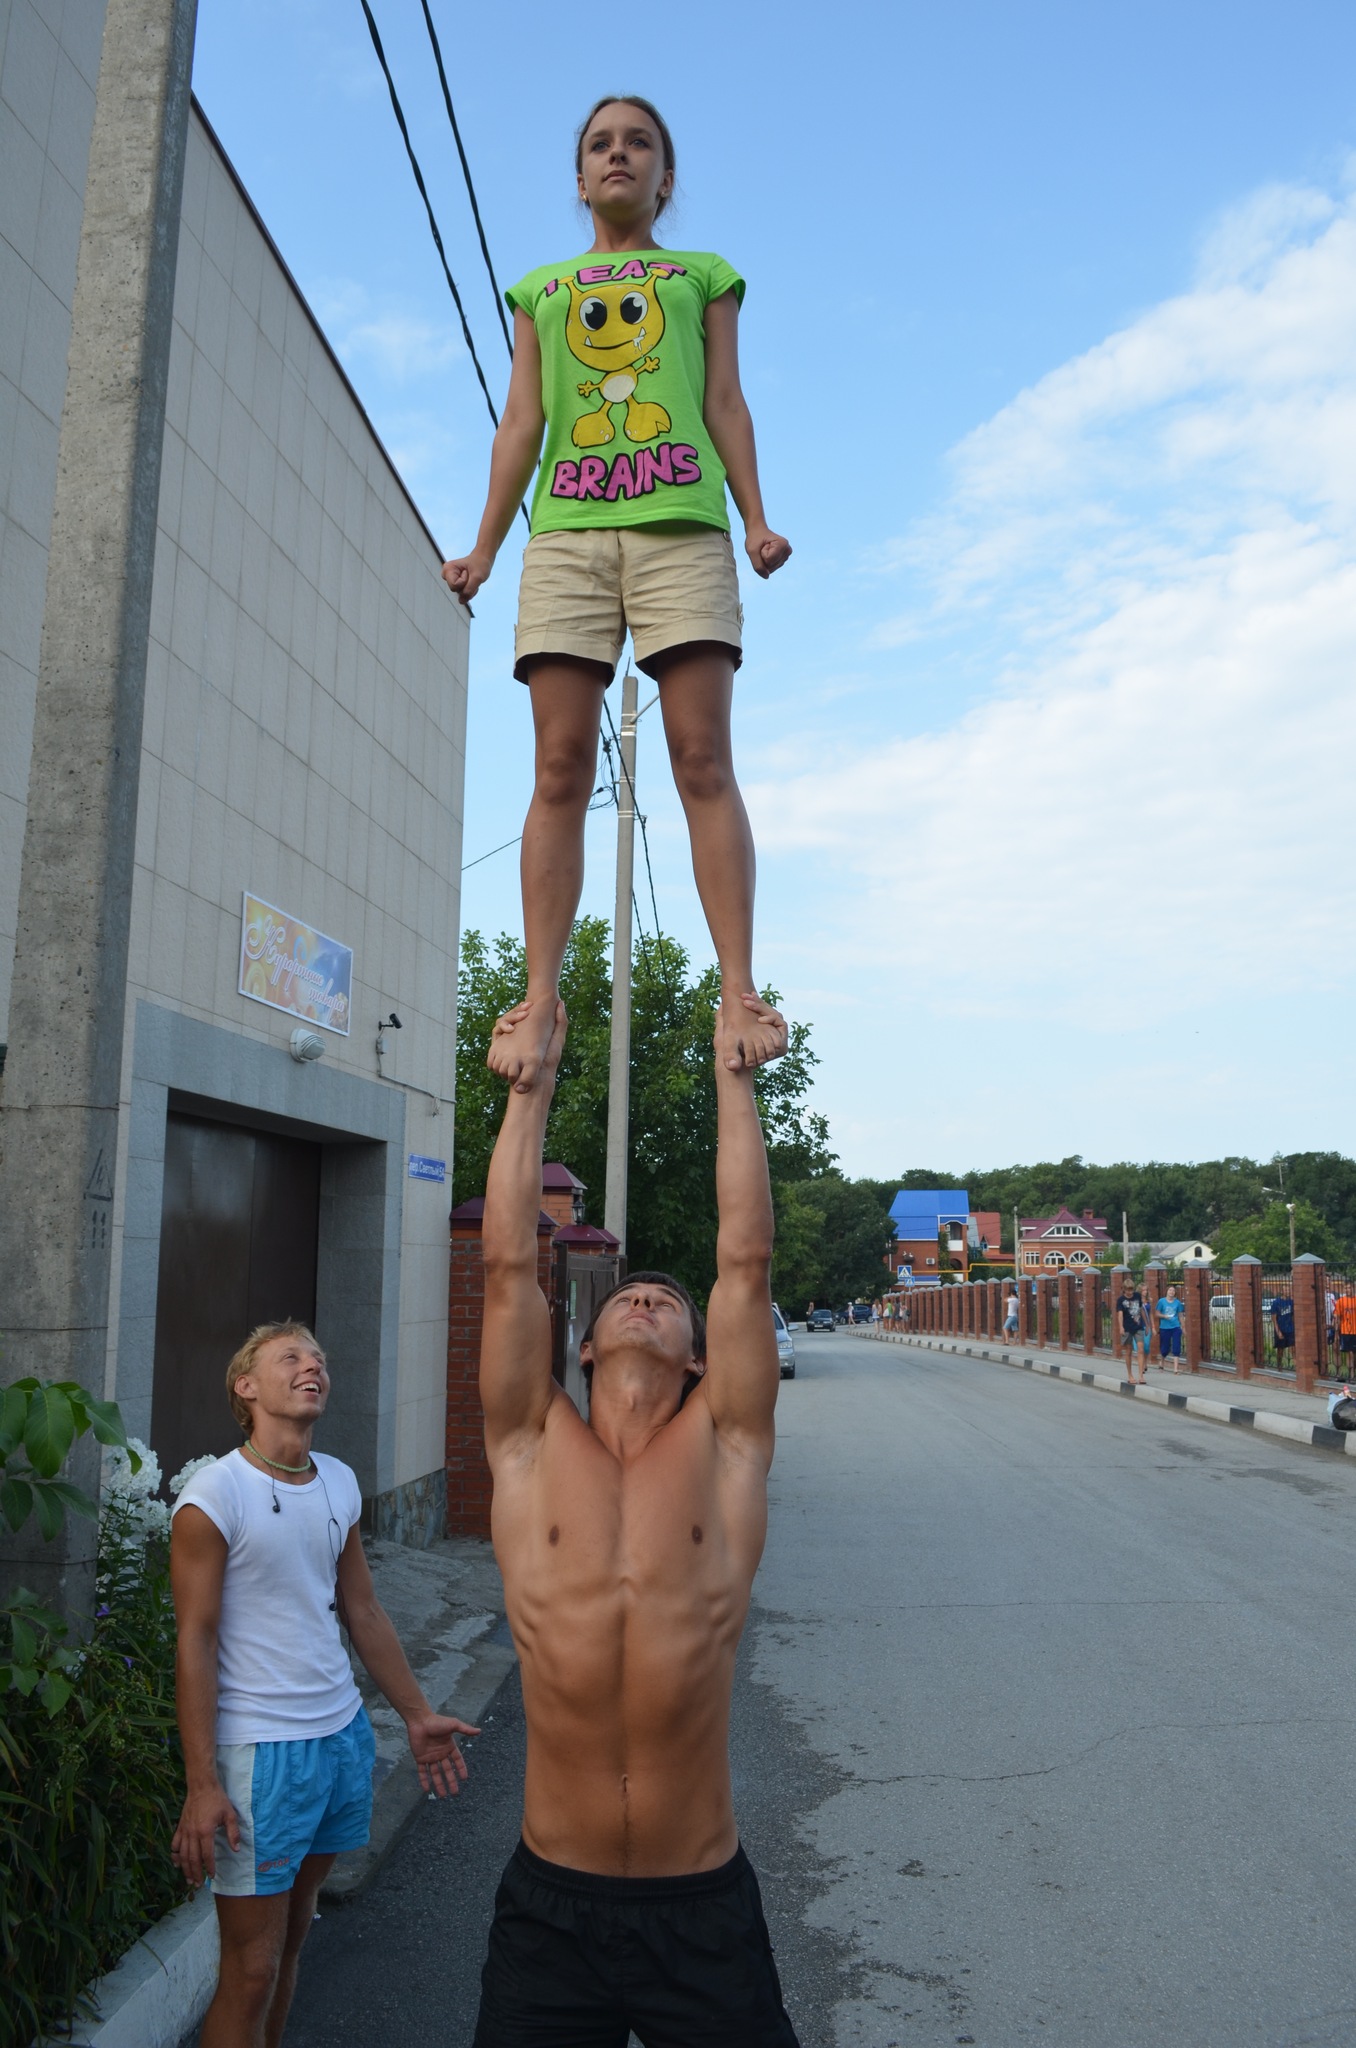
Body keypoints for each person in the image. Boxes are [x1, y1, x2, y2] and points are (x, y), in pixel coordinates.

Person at [441, 95, 792, 1091]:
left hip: (682, 526)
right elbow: (522, 423)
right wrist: (482, 548)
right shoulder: (542, 291)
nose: (619, 154)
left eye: (639, 143)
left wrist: (756, 517)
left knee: (700, 758)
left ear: (665, 178)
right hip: (568, 536)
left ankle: (737, 987)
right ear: (581, 176)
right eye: (601, 144)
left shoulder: (702, 276)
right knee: (558, 767)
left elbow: (724, 400)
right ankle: (539, 993)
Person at [473, 996, 799, 2046]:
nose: (647, 1299)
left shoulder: (727, 1447)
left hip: (700, 1906)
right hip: (549, 1911)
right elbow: (505, 1267)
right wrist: (528, 1087)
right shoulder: (529, 1444)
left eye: (667, 1300)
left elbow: (745, 1260)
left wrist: (735, 1075)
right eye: (627, 1296)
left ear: (701, 1356)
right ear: (582, 1343)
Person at [170, 1323, 479, 2048]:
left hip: (340, 1740)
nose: (313, 1367)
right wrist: (201, 1783)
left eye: (320, 1360)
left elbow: (361, 1609)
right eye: (292, 1357)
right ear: (246, 1386)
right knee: (250, 1969)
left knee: (290, 1947)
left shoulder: (337, 1480)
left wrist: (416, 1715)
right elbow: (195, 1640)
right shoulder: (215, 1495)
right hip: (260, 1754)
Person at [1116, 1279, 1151, 1384]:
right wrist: (1121, 1327)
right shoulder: (1121, 1300)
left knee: (1141, 1349)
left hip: (1138, 1326)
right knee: (1128, 1351)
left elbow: (1141, 1310)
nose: (1130, 1292)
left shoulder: (1137, 1296)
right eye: (1128, 1290)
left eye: (1131, 1290)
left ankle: (1141, 1376)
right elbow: (1120, 1314)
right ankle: (1130, 1375)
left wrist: (1147, 1324)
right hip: (1127, 1328)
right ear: (1124, 1289)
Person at [1156, 1282, 1185, 1371]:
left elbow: (1180, 1315)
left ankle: (1176, 1369)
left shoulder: (1178, 1303)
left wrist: (1183, 1327)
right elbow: (1157, 1313)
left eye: (1173, 1291)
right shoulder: (1161, 1301)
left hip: (1175, 1326)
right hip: (1165, 1327)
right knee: (1165, 1348)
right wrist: (1164, 1316)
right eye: (1170, 1290)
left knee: (1176, 1346)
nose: (1171, 1292)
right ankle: (1162, 1361)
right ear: (1167, 1291)